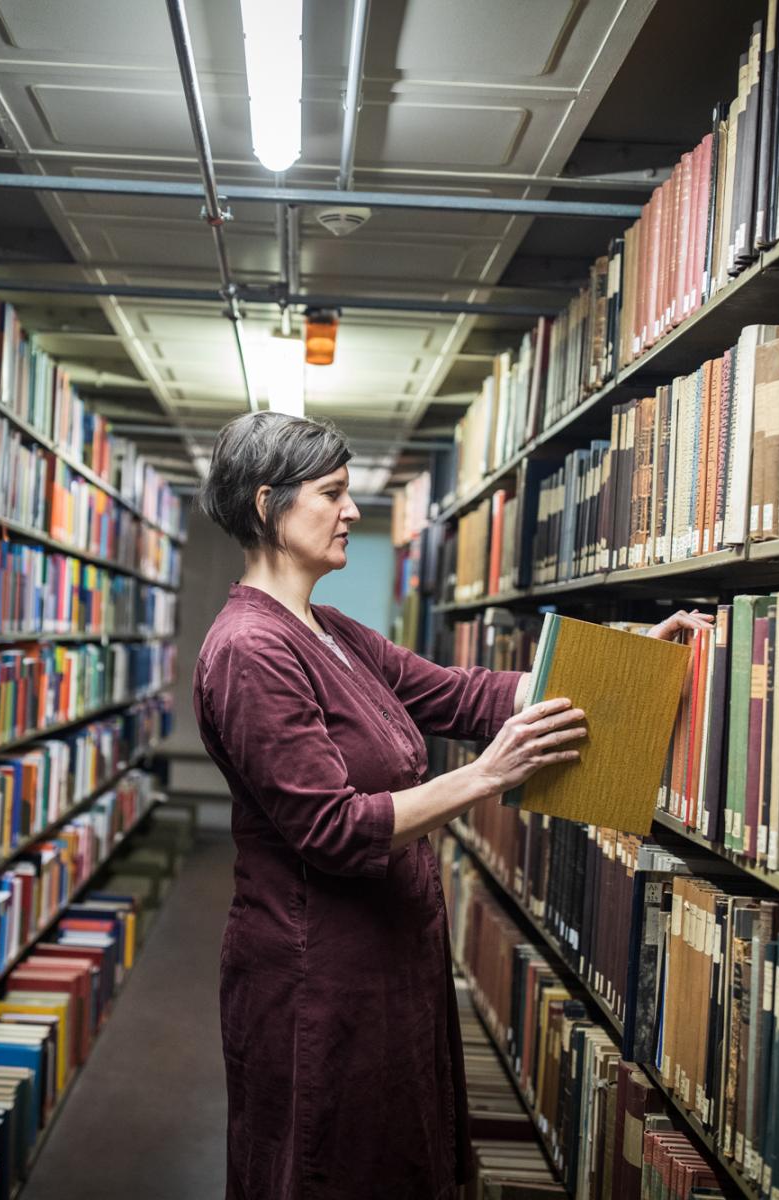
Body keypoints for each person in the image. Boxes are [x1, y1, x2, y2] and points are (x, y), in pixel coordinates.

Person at [192, 411, 709, 1200]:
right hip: (317, 977)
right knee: (329, 1168)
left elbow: (466, 696)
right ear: (270, 504)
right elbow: (331, 829)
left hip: (388, 963)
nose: (352, 512)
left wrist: (626, 660)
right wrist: (486, 777)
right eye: (332, 494)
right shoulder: (250, 650)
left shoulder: (331, 632)